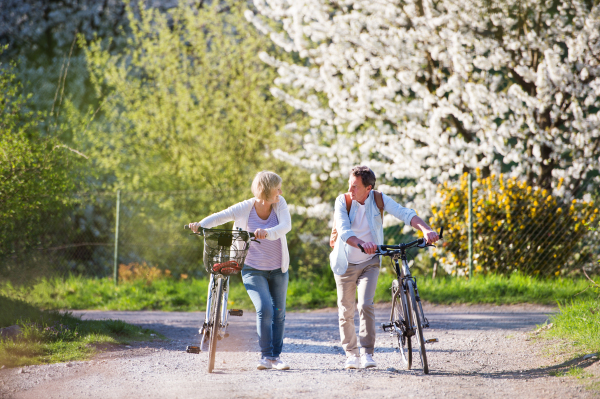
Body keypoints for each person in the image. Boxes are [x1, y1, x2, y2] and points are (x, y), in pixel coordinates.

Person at [330, 166, 439, 369]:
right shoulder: (342, 201)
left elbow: (404, 213)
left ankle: (366, 353)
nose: (350, 190)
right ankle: (351, 355)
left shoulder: (378, 199)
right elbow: (344, 230)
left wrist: (427, 229)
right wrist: (361, 244)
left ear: (368, 188)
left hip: (370, 261)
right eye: (349, 185)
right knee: (346, 310)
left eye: (355, 187)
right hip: (345, 262)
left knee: (365, 305)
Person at [188, 171, 292, 370]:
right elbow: (222, 216)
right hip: (253, 269)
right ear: (267, 189)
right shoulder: (246, 207)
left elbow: (286, 226)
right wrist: (200, 225)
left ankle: (276, 358)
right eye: (277, 187)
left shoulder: (280, 204)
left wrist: (267, 232)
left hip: (278, 268)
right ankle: (266, 356)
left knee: (279, 313)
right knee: (265, 308)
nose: (280, 191)